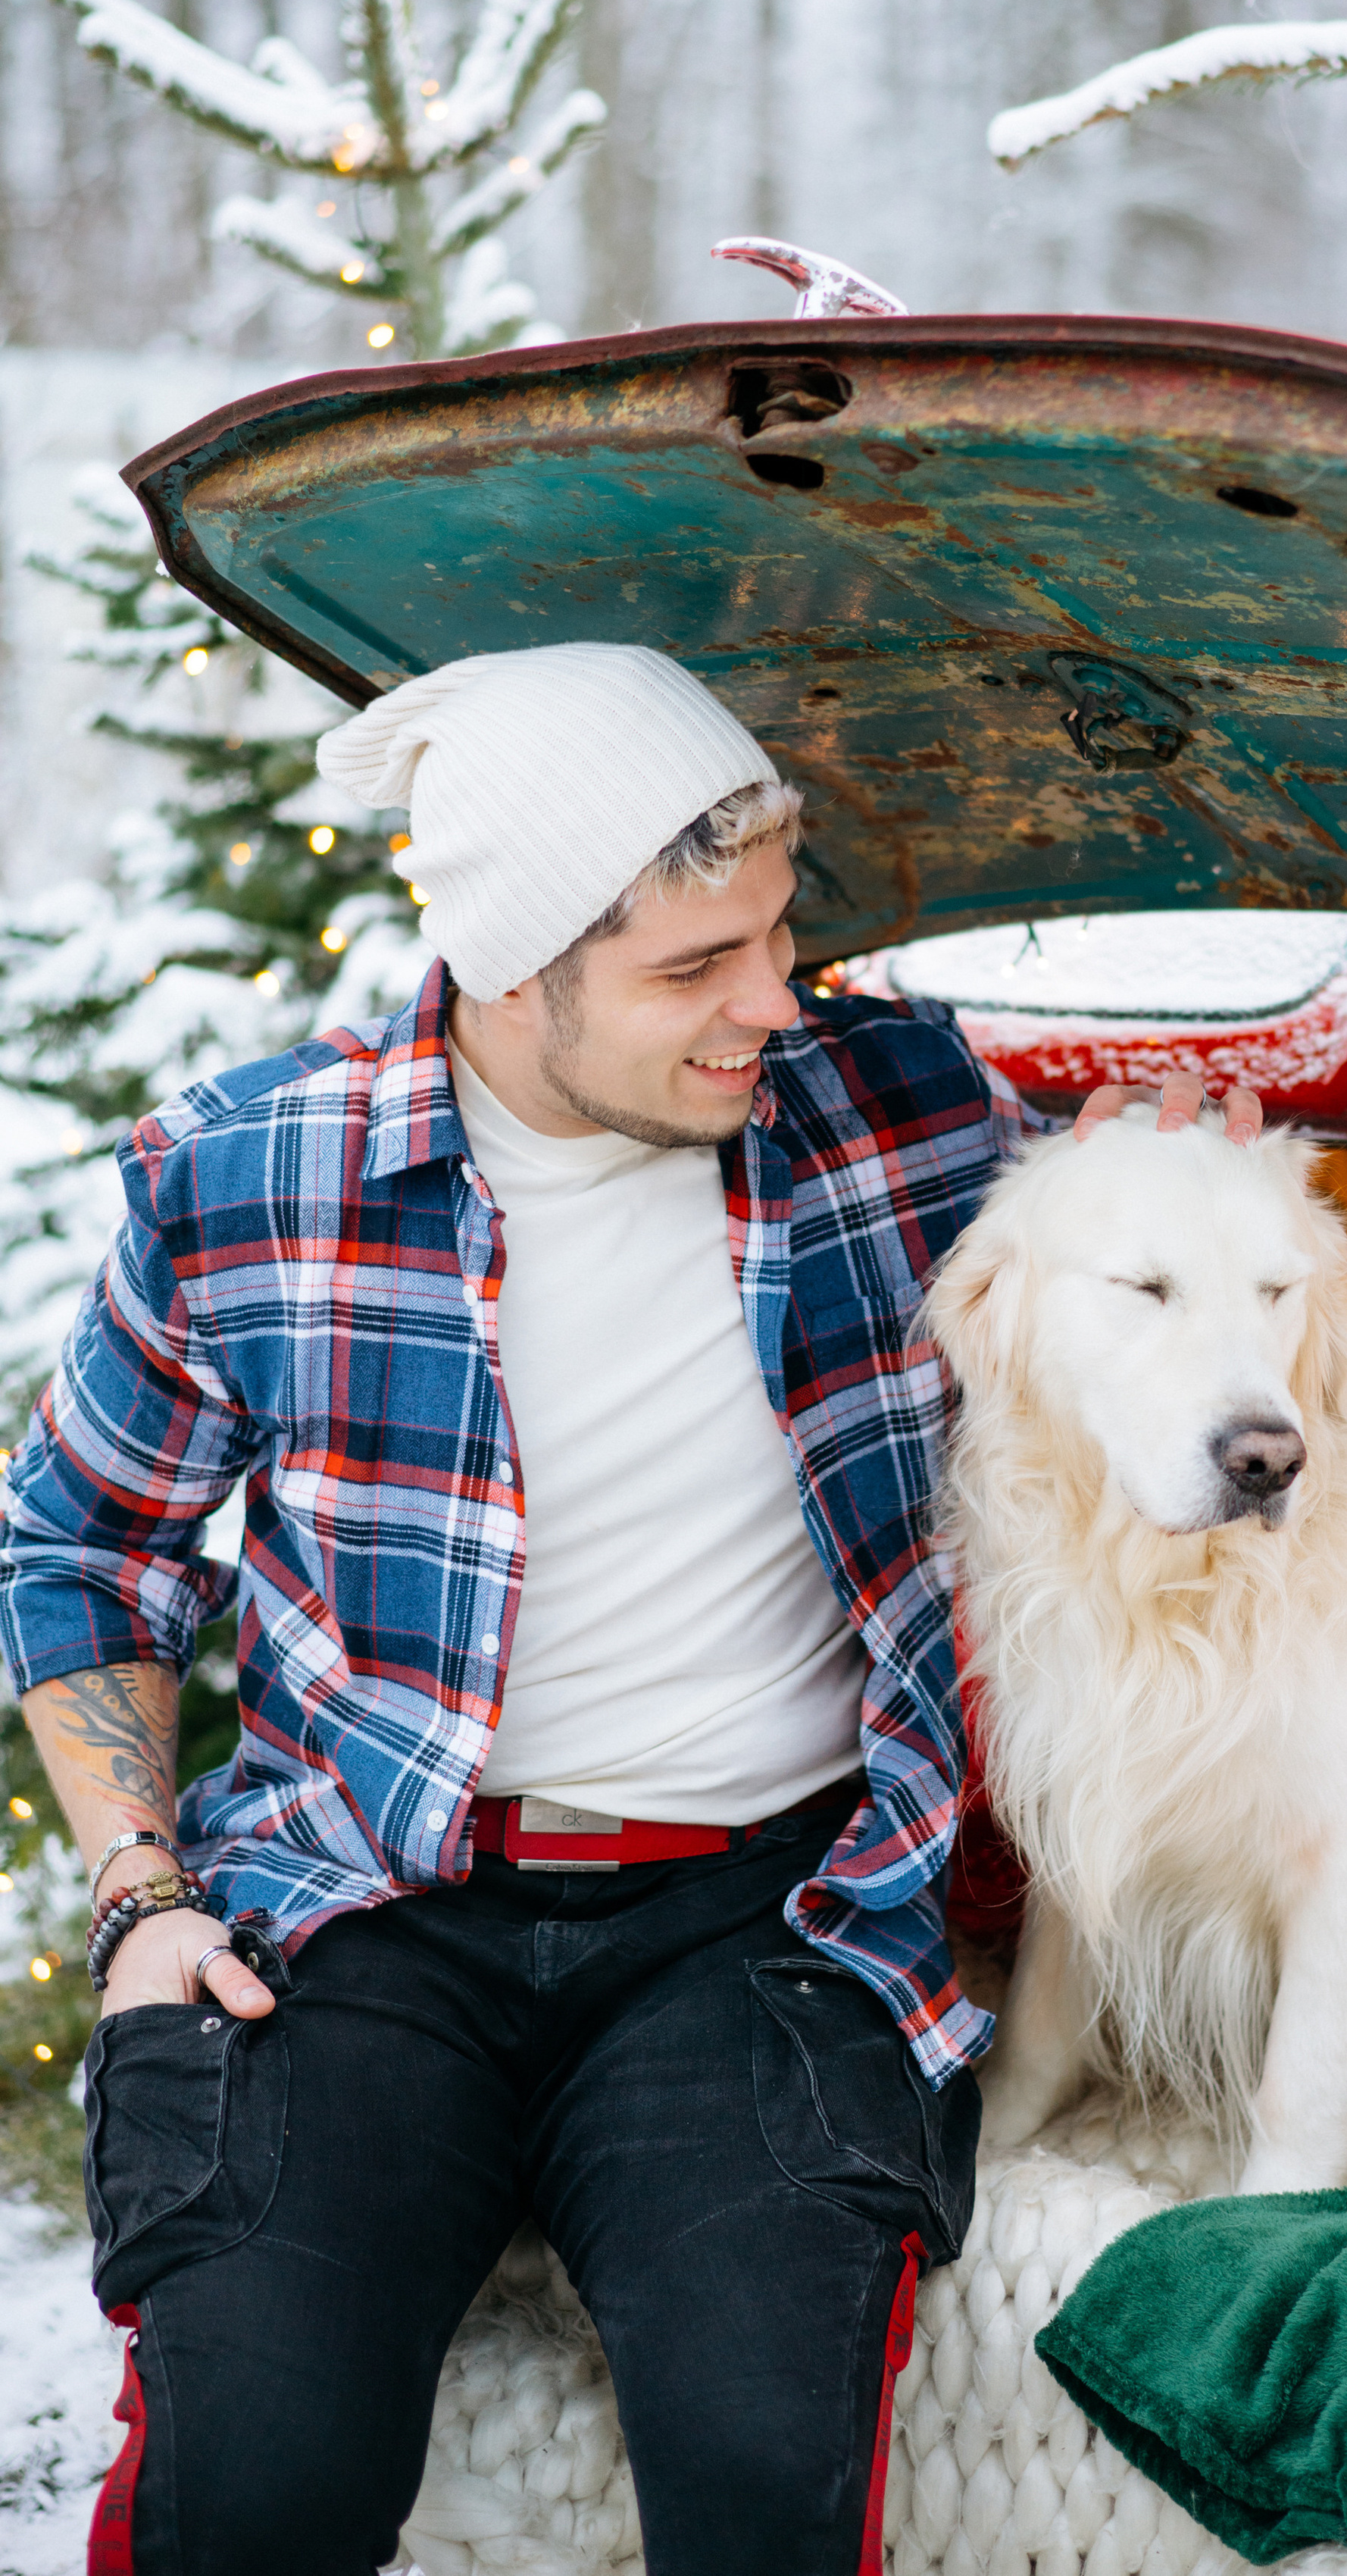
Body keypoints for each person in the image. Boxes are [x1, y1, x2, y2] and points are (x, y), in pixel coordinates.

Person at [0, 639, 1261, 2576]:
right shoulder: (252, 1176)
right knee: (252, 2491)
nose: (772, 999)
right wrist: (143, 1892)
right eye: (695, 968)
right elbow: (84, 1546)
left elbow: (1120, 1262)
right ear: (514, 967)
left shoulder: (899, 1109)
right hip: (361, 1908)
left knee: (765, 2488)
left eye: (773, 935)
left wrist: (1183, 1179)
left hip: (754, 1913)